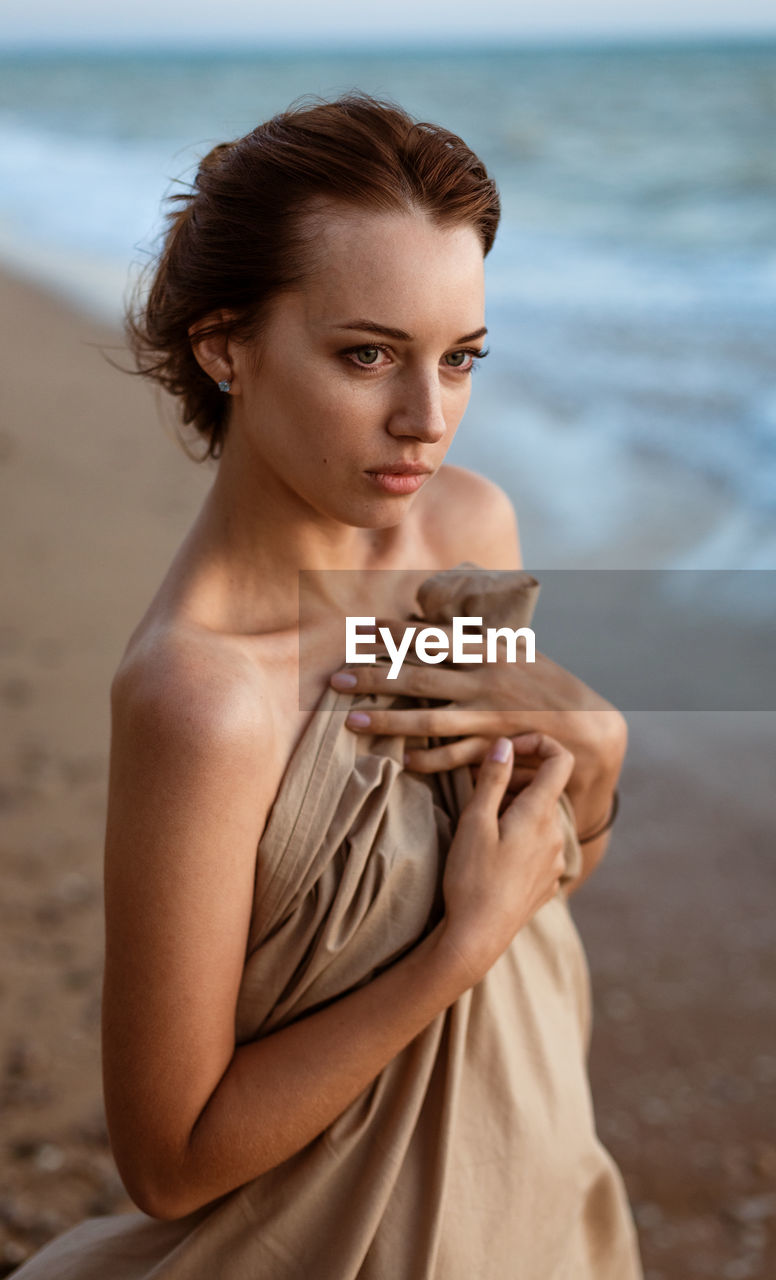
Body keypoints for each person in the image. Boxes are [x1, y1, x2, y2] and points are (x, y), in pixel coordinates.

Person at [14, 93, 642, 1278]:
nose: (428, 420)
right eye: (367, 354)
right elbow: (173, 1156)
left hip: (541, 1186)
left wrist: (599, 760)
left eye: (460, 358)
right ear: (223, 344)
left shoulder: (469, 532)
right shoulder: (199, 699)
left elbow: (535, 864)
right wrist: (456, 949)